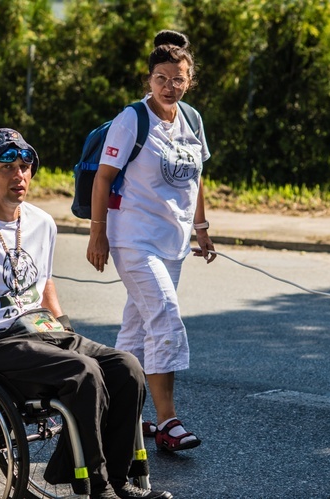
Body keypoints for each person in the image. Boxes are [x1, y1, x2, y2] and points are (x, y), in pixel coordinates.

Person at [0, 128, 172, 499]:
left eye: (26, 166)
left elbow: (44, 283)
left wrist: (66, 329)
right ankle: (97, 486)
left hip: (42, 331)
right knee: (83, 373)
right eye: (7, 166)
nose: (19, 174)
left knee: (126, 367)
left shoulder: (43, 223)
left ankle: (120, 481)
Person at [86, 30, 215, 453]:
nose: (169, 87)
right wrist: (98, 232)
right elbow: (103, 179)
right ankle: (167, 422)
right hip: (133, 239)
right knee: (164, 317)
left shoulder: (192, 120)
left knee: (136, 328)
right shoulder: (132, 119)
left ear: (189, 79)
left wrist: (201, 229)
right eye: (161, 78)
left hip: (173, 241)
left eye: (177, 79)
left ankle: (115, 413)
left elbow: (196, 179)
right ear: (149, 79)